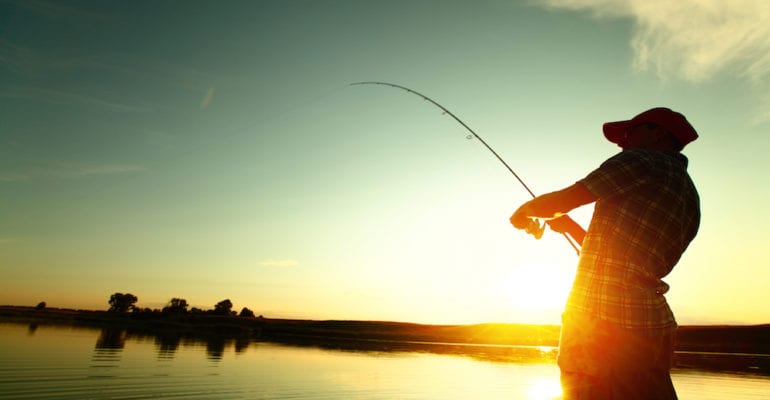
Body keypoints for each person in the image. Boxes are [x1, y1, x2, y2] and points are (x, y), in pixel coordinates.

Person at [510, 107, 701, 399]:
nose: (622, 142)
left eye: (630, 132)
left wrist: (524, 212)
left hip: (599, 320)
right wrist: (570, 226)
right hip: (653, 325)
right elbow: (622, 259)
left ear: (658, 132)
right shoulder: (689, 194)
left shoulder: (639, 160)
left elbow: (567, 198)